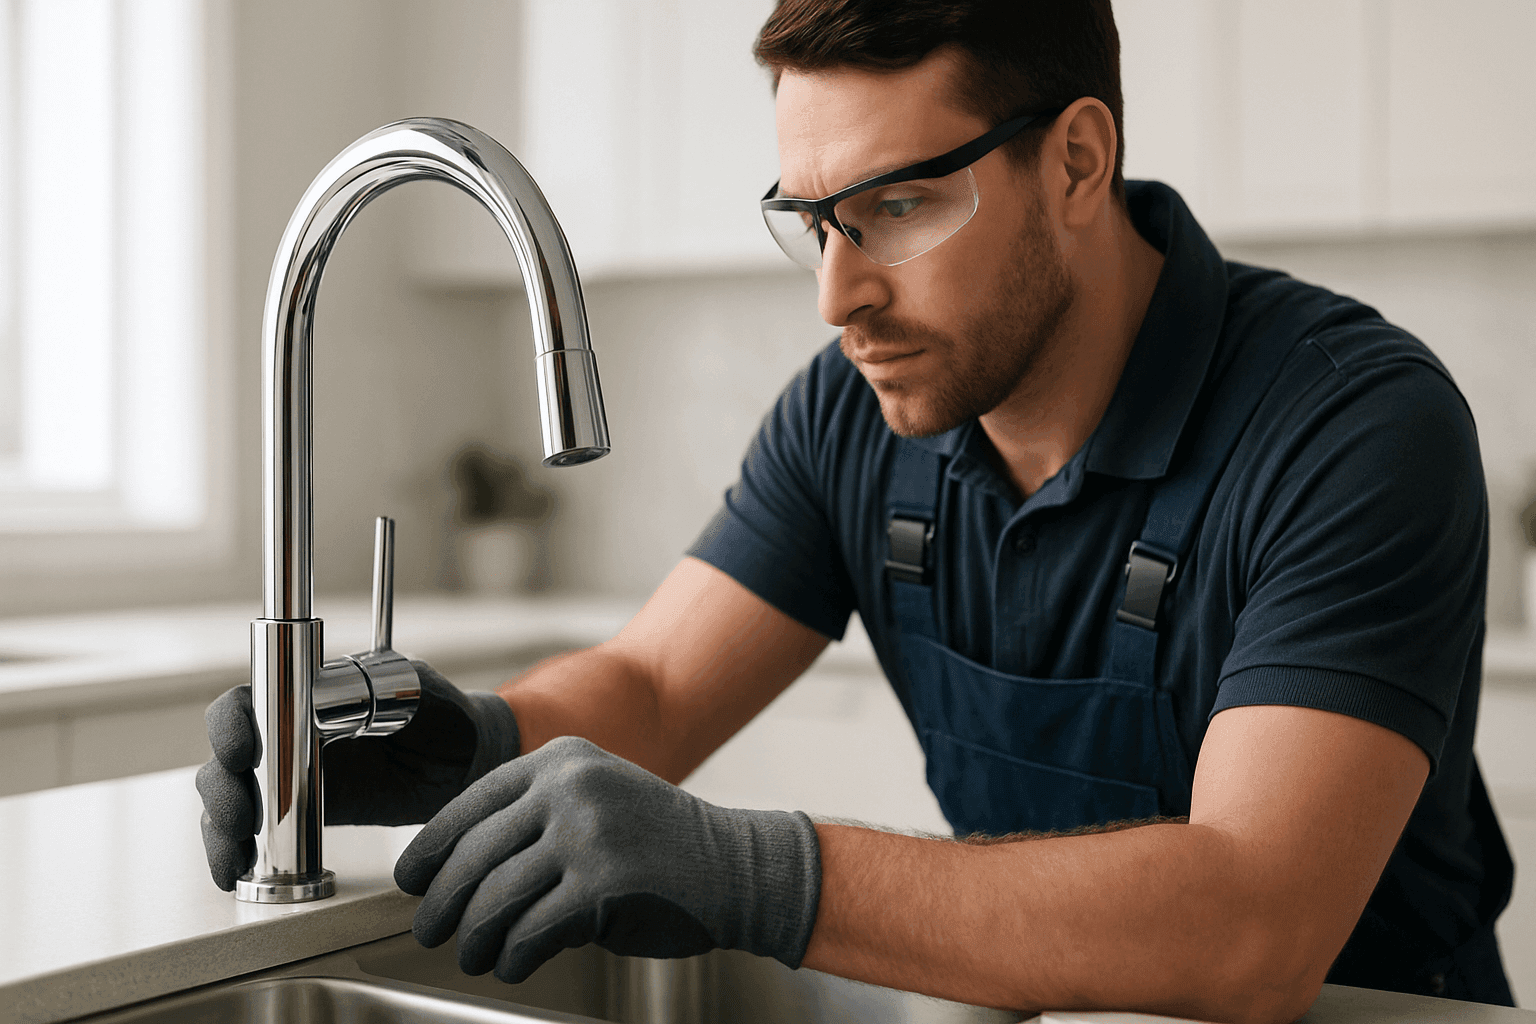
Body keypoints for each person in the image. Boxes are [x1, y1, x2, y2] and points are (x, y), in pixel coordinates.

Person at [197, 1, 1516, 1019]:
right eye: (813, 218)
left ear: (1075, 159)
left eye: (896, 207)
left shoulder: (1353, 426)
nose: (838, 298)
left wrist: (760, 875)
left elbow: (1252, 924)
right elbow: (656, 684)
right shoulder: (856, 415)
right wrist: (473, 741)